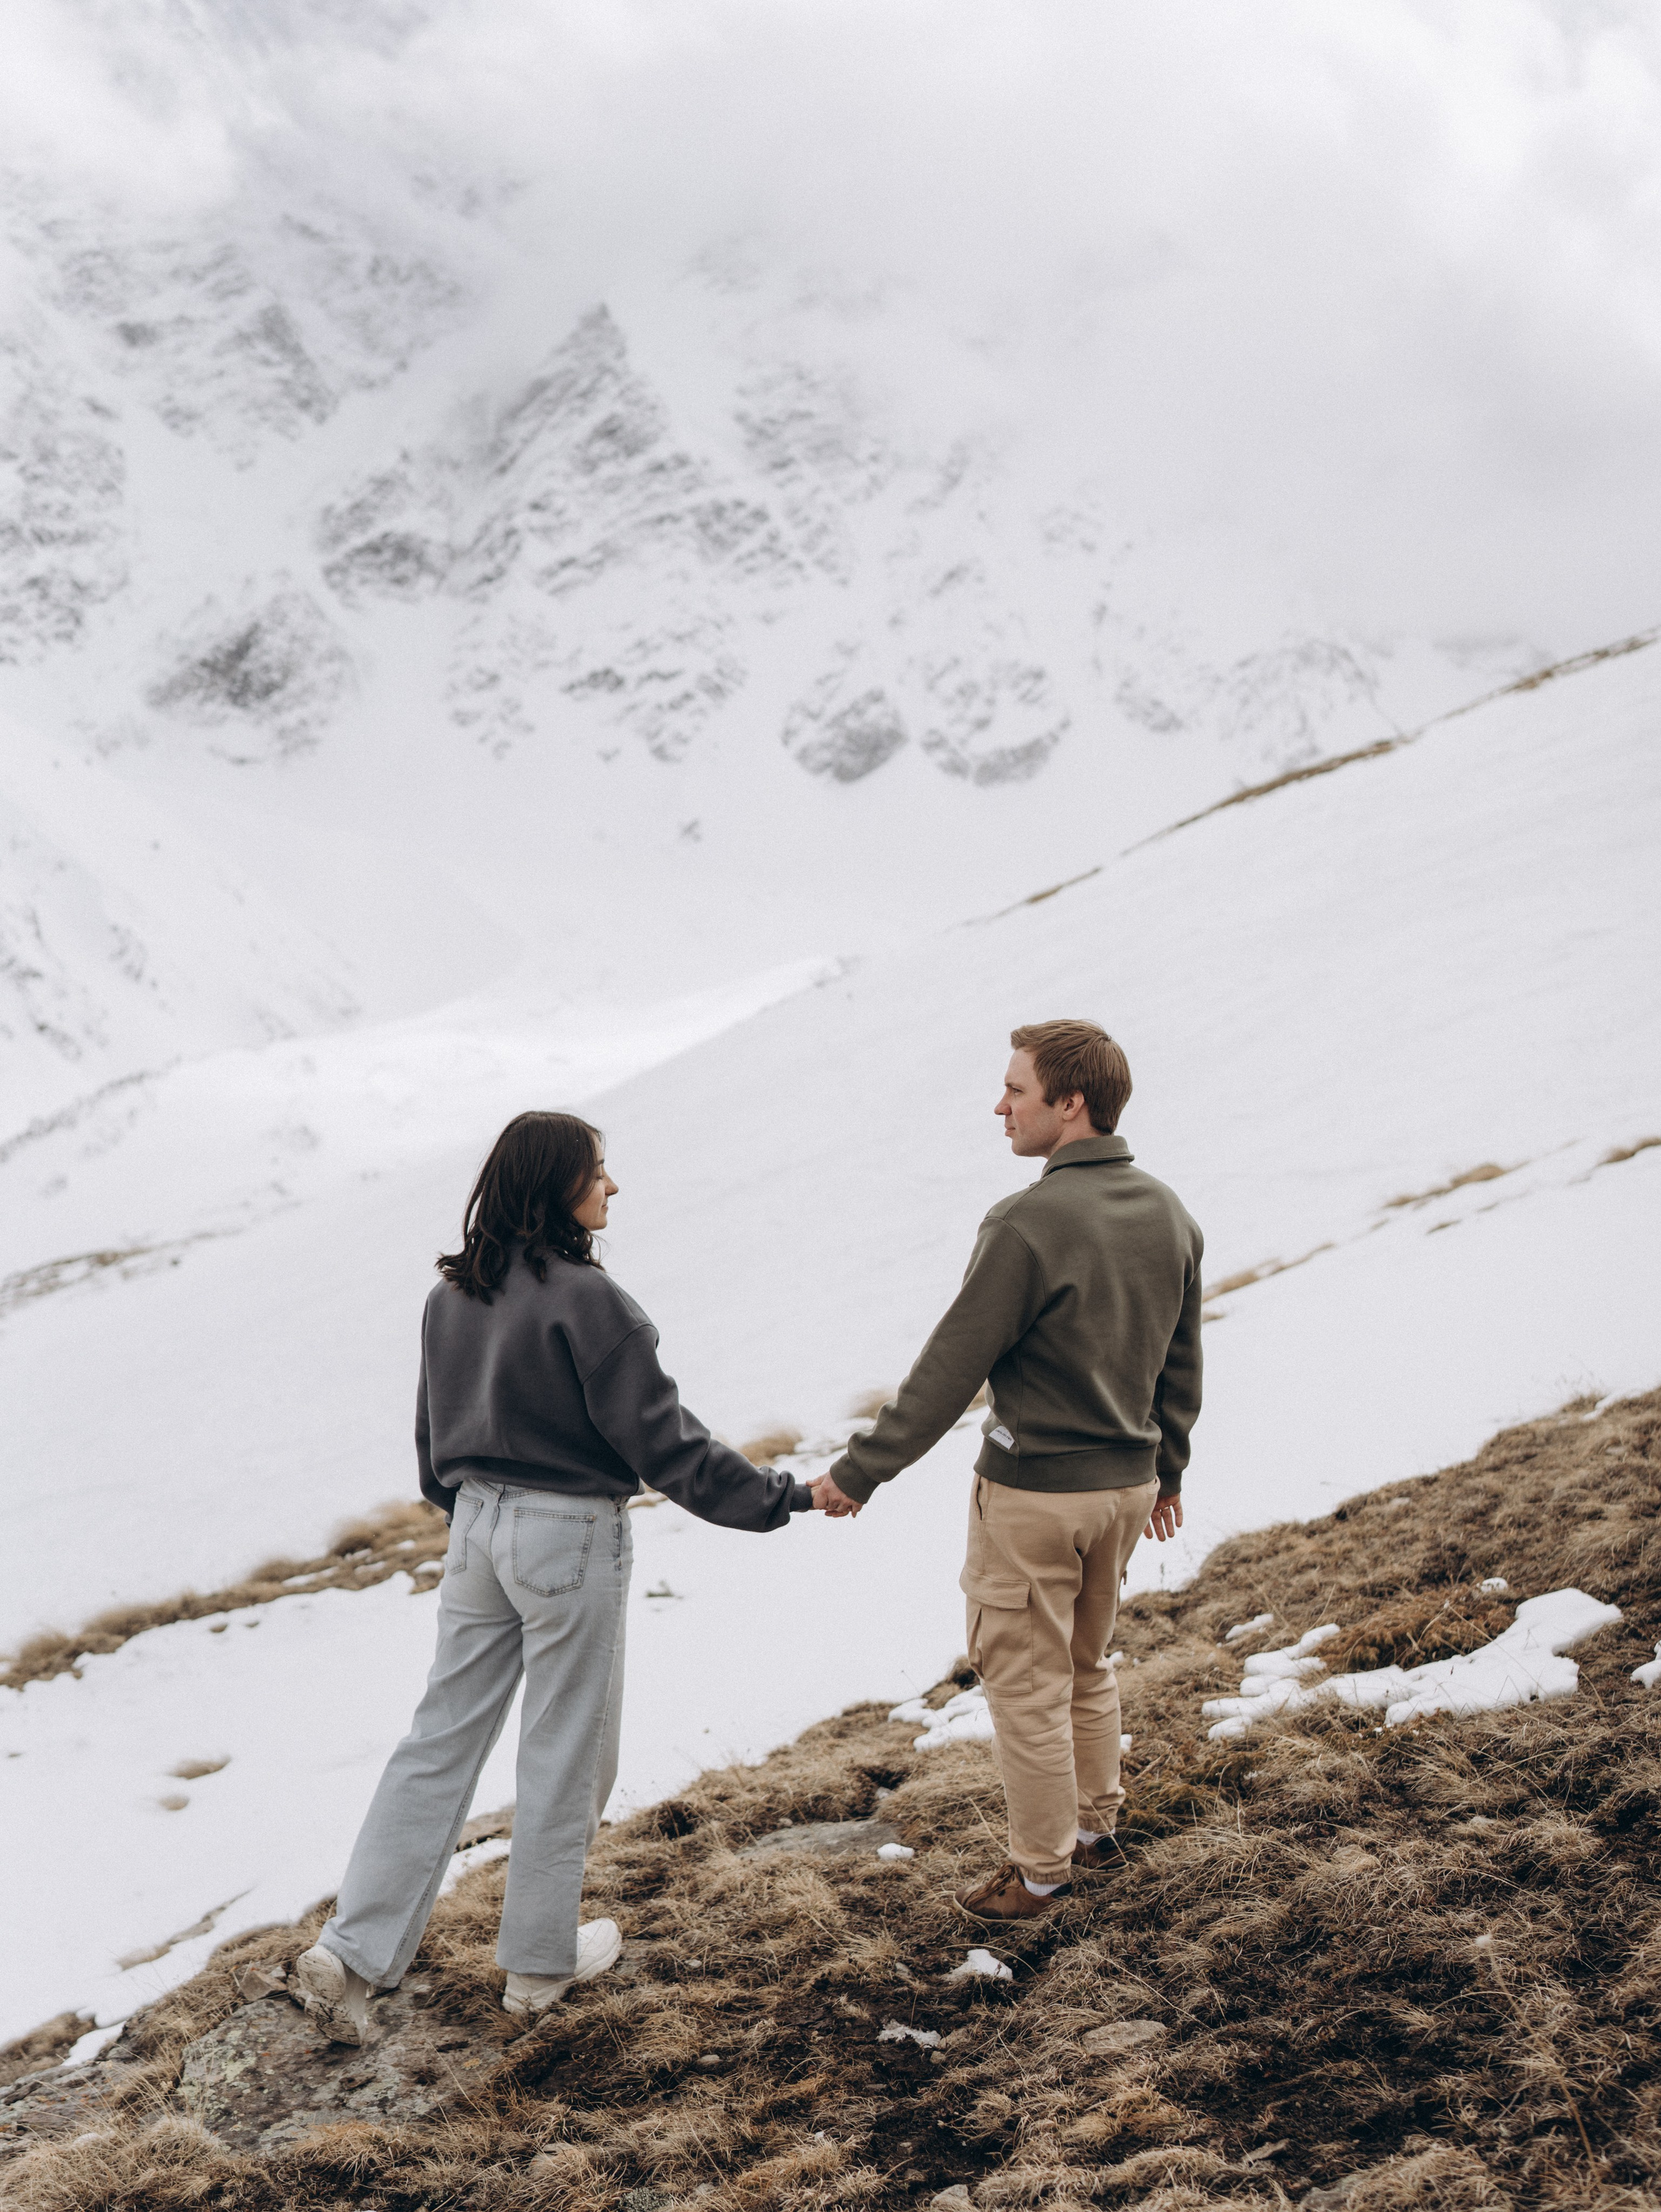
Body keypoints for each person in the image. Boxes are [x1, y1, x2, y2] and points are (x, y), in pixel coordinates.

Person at [295, 1111, 817, 2044]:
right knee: (568, 1744)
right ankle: (538, 1965)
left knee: (438, 1740)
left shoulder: (450, 1299)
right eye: (599, 1172)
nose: (612, 1188)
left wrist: (475, 1521)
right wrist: (783, 1498)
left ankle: (350, 1952)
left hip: (476, 1527)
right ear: (555, 1188)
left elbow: (431, 1441)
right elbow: (668, 1444)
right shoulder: (593, 1302)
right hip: (568, 1533)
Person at [811, 1020, 1202, 1922]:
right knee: (1088, 1662)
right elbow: (1181, 1362)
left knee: (1026, 1686)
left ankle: (1038, 1876)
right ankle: (1097, 1836)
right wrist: (1169, 1471)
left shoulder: (1027, 1222)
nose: (1001, 1105)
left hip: (1037, 1496)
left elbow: (954, 1364)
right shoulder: (1169, 1211)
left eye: (1016, 1090)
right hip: (1128, 1487)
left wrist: (864, 1470)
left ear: (1071, 1103)